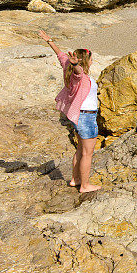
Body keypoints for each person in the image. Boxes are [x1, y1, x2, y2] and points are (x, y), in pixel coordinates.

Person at [39, 30, 102, 193]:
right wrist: (75, 65)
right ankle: (85, 185)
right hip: (86, 117)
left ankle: (75, 179)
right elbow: (78, 73)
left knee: (80, 150)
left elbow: (60, 55)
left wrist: (50, 40)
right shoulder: (78, 74)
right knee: (87, 154)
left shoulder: (67, 67)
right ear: (87, 61)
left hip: (79, 116)